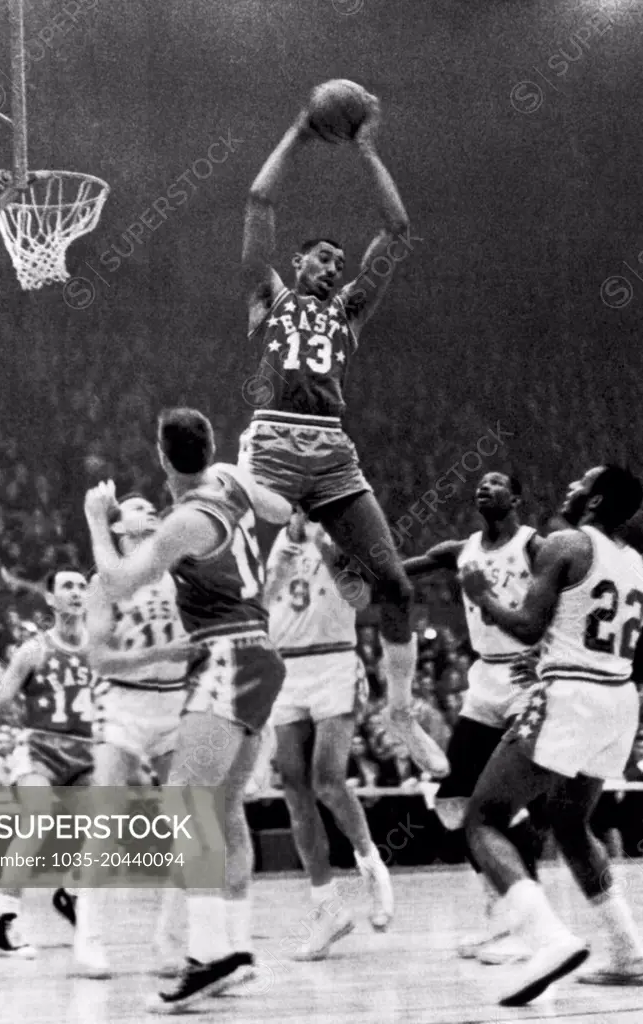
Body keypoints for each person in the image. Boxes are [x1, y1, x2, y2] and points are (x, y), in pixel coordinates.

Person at [239, 94, 447, 779]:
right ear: (297, 266)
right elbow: (258, 201)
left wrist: (365, 150)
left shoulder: (349, 312)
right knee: (225, 571)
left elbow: (398, 227)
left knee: (393, 585)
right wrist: (298, 131)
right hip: (270, 444)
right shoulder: (268, 295)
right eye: (320, 259)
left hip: (330, 451)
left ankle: (398, 710)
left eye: (337, 260)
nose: (330, 267)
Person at [83, 407, 292, 1012]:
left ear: (160, 454)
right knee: (220, 810)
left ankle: (205, 958)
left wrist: (98, 520)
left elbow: (120, 580)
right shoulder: (228, 480)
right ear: (211, 447)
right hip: (259, 655)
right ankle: (232, 950)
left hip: (226, 654)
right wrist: (248, 471)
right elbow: (280, 510)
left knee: (183, 805)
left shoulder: (184, 521)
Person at [462, 465, 643, 1006]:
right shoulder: (636, 563)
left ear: (597, 499)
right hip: (619, 697)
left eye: (580, 483)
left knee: (484, 818)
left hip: (569, 693)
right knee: (569, 820)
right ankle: (627, 950)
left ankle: (547, 941)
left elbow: (525, 626)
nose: (569, 487)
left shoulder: (566, 543)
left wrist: (481, 594)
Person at [402, 472, 546, 964]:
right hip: (485, 680)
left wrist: (551, 656)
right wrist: (351, 558)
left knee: (497, 805)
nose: (485, 488)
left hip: (530, 680)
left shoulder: (535, 546)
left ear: (517, 499)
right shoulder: (456, 551)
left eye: (497, 483)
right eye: (480, 484)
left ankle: (526, 926)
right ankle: (503, 912)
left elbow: (568, 600)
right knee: (453, 802)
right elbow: (398, 572)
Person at [73, 494, 191, 979]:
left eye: (151, 506)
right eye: (136, 508)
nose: (148, 511)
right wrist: (158, 653)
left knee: (191, 825)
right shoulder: (105, 583)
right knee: (106, 821)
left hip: (175, 705)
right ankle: (88, 939)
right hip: (123, 704)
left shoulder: (182, 575)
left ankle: (172, 943)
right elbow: (97, 659)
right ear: (119, 530)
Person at [265, 508, 392, 958]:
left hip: (335, 661)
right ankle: (327, 907)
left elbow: (359, 599)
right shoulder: (277, 546)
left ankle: (371, 865)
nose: (303, 514)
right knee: (295, 788)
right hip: (287, 669)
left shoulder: (345, 540)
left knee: (328, 779)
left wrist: (326, 548)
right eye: (297, 507)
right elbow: (262, 604)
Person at [0, 567, 95, 958]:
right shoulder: (34, 650)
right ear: (50, 598)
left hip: (85, 750)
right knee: (38, 818)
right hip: (40, 749)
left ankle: (70, 893)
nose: (76, 592)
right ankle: (5, 920)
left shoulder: (101, 648)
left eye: (81, 585)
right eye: (67, 585)